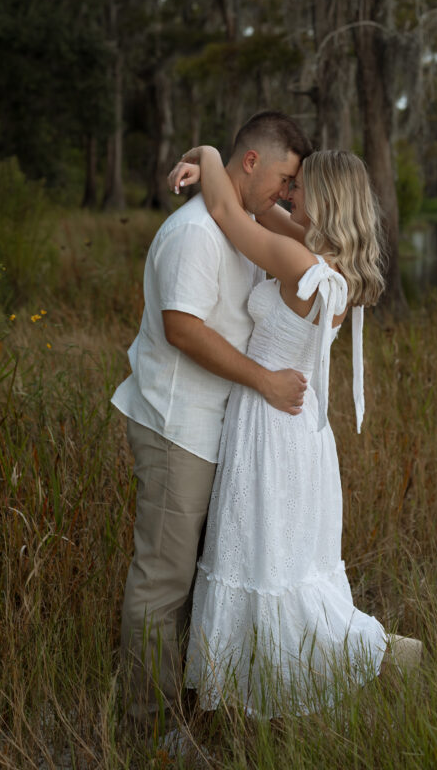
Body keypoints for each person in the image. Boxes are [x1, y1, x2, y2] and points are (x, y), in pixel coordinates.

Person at [167, 145, 420, 716]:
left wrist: (208, 152)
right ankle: (327, 662)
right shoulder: (324, 260)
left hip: (270, 426)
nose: (288, 193)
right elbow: (253, 208)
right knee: (286, 559)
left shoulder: (299, 262)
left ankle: (316, 670)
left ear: (324, 199)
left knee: (261, 558)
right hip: (300, 428)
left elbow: (232, 217)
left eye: (299, 186)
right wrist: (225, 171)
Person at [111, 111, 312, 727]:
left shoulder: (242, 219)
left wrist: (207, 155)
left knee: (197, 575)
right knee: (163, 580)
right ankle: (145, 725)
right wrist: (265, 383)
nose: (288, 192)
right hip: (177, 426)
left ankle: (189, 704)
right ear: (252, 162)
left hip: (214, 429)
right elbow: (181, 328)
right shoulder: (197, 231)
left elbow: (303, 226)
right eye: (284, 177)